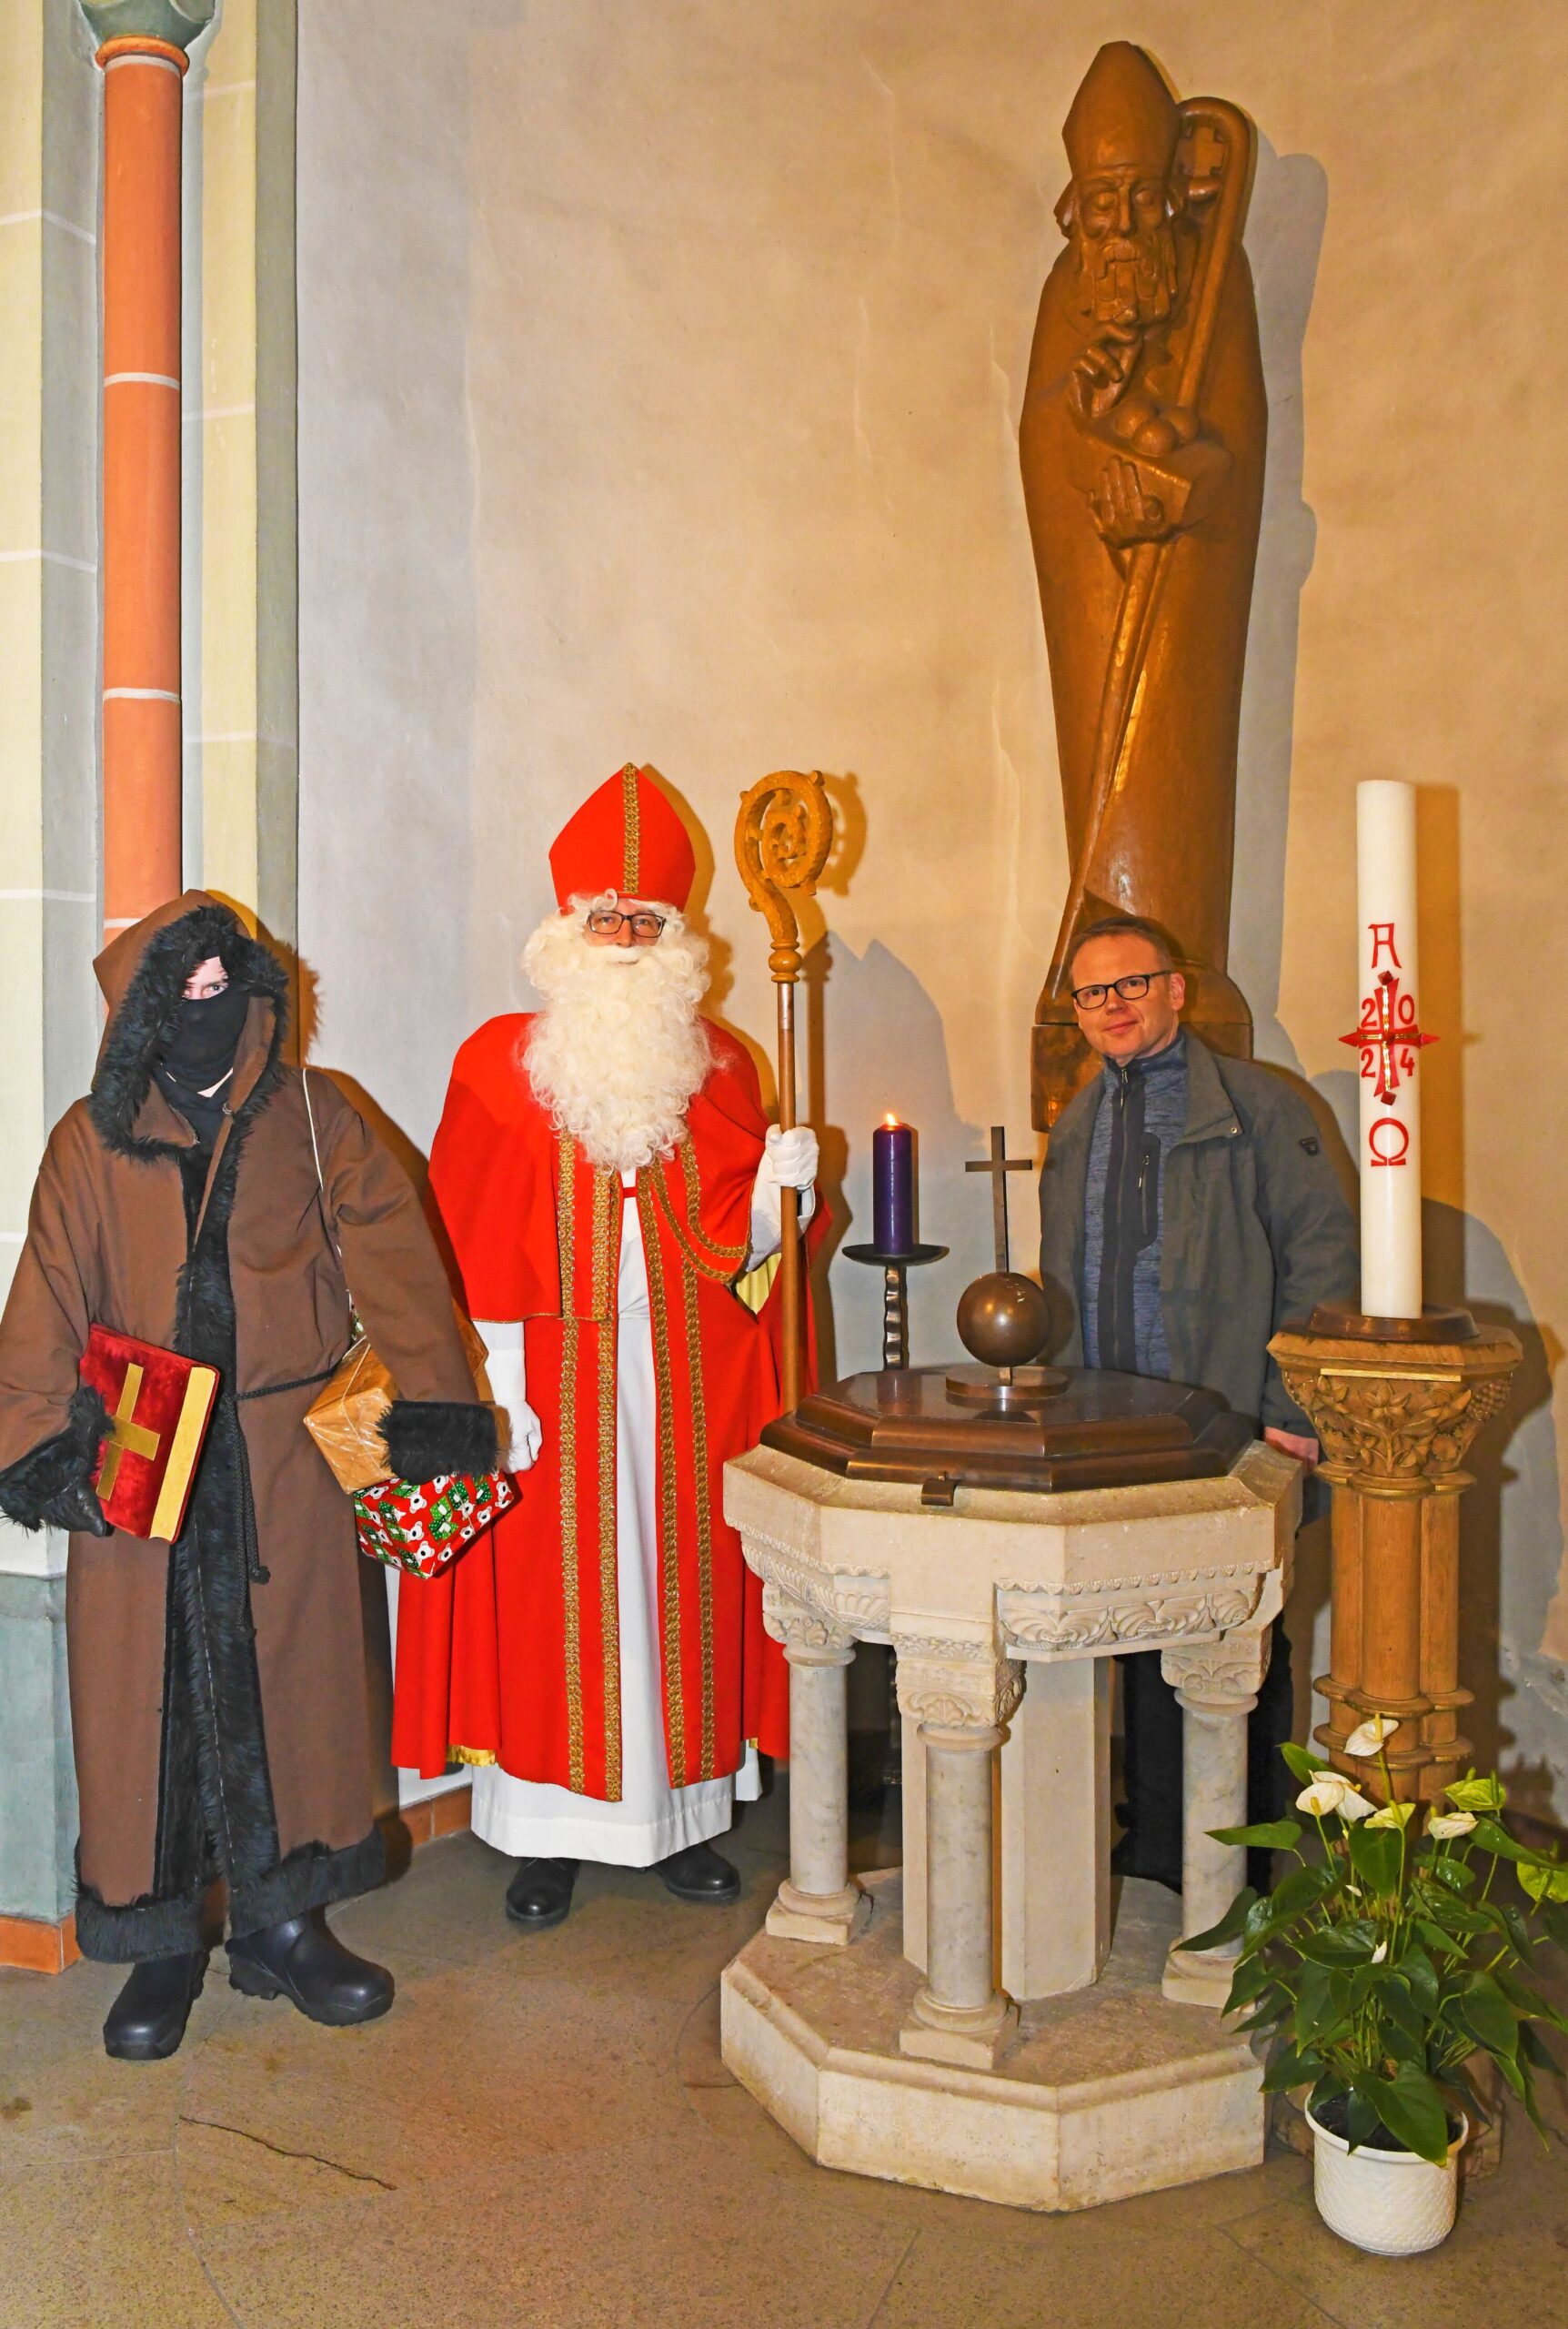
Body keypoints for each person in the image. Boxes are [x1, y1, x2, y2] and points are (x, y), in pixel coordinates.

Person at [0, 893, 496, 2059]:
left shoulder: (319, 1117)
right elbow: (46, 1293)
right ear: (140, 1013)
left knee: (297, 1691)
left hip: (281, 1455)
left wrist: (435, 1408)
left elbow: (398, 1255)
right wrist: (38, 1441)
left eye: (228, 988)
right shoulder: (89, 1138)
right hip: (140, 1442)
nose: (207, 1010)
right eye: (185, 993)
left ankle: (285, 1923)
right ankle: (160, 1939)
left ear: (257, 997)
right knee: (143, 1703)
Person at [392, 765, 817, 1928]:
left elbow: (742, 1263)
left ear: (678, 936)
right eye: (606, 918)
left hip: (681, 1377)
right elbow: (458, 1232)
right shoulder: (498, 1062)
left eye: (647, 920)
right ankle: (541, 1830)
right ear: (564, 929)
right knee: (543, 1598)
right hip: (543, 1375)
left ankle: (679, 1820)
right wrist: (487, 1378)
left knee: (681, 1584)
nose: (625, 938)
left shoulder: (719, 1064)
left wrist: (779, 1199)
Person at [1038, 914, 1358, 1887]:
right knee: (1135, 1628)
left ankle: (1247, 1853)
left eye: (1130, 984)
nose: (1112, 1007)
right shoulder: (1081, 1119)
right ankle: (1164, 1844)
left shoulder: (1260, 1107)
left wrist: (1291, 1409)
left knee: (1238, 1634)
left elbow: (1323, 1262)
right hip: (1116, 1427)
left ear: (1175, 988)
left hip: (1231, 1421)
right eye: (1092, 993)